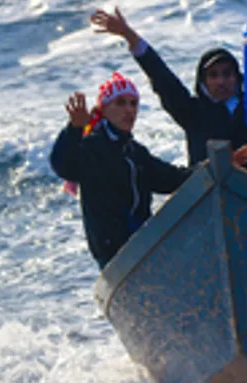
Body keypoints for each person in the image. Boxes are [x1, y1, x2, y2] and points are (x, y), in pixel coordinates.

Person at [50, 73, 191, 267]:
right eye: (120, 103)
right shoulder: (90, 147)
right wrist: (74, 129)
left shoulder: (135, 152)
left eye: (133, 104)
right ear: (104, 109)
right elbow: (63, 165)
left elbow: (171, 178)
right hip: (113, 256)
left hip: (143, 246)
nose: (129, 110)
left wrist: (215, 165)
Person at [91, 7, 247, 167]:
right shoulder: (192, 111)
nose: (221, 81)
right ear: (203, 81)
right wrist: (130, 36)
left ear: (237, 78)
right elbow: (163, 78)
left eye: (227, 74)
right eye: (213, 75)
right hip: (206, 190)